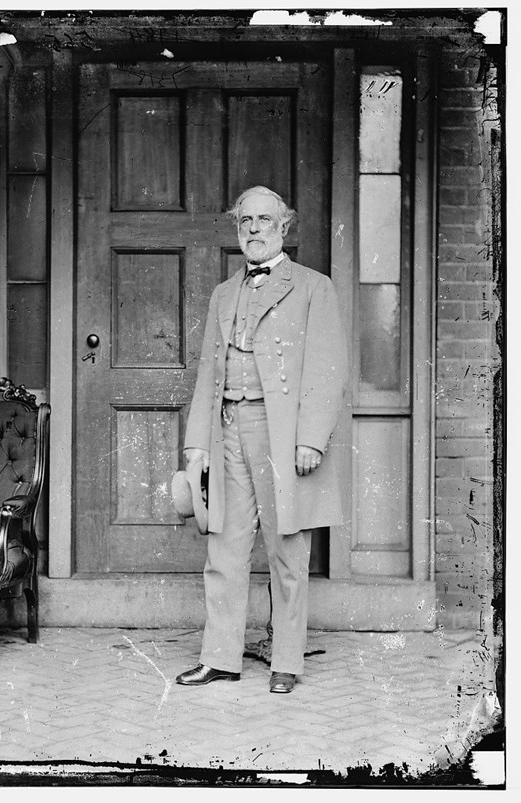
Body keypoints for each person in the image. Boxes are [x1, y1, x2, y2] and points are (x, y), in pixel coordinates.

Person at [176, 186, 348, 694]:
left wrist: (312, 438)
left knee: (288, 548)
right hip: (227, 428)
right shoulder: (223, 294)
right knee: (223, 548)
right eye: (244, 220)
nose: (253, 228)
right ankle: (220, 657)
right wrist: (196, 447)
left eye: (264, 220)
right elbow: (208, 371)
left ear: (284, 227)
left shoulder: (315, 288)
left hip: (284, 435)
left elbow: (326, 370)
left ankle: (287, 661)